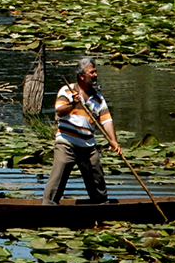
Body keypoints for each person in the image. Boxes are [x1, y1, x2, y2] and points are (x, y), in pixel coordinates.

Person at [42, 56, 121, 204]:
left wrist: (114, 141)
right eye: (91, 72)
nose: (95, 75)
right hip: (67, 143)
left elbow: (107, 120)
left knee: (98, 183)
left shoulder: (98, 98)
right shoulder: (67, 91)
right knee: (57, 179)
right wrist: (73, 104)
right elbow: (60, 111)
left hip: (88, 146)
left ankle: (102, 208)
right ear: (81, 76)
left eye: (95, 72)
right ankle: (48, 207)